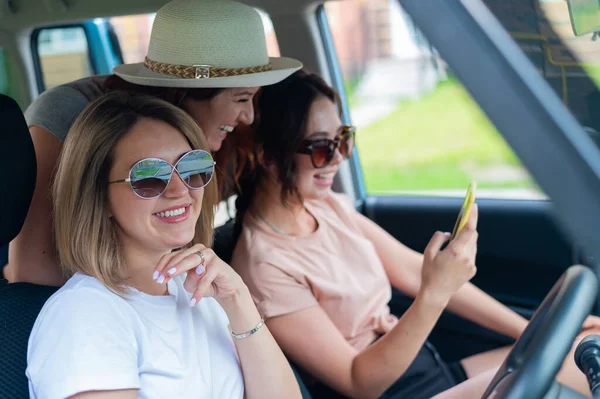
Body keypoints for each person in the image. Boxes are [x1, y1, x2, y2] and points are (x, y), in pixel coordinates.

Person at [230, 70, 597, 398]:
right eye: (322, 147)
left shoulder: (327, 206)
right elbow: (359, 382)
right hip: (395, 392)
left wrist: (533, 329)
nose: (340, 157)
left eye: (343, 139)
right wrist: (435, 292)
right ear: (268, 157)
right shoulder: (263, 267)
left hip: (433, 372)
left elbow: (410, 271)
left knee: (582, 345)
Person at [26, 91, 302, 399]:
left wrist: (238, 299)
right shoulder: (84, 314)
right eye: (148, 176)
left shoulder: (205, 294)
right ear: (99, 196)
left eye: (191, 166)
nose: (178, 189)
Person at [6, 0, 302, 286]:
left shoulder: (219, 138)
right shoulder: (66, 115)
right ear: (187, 92)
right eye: (241, 98)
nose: (249, 116)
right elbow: (33, 272)